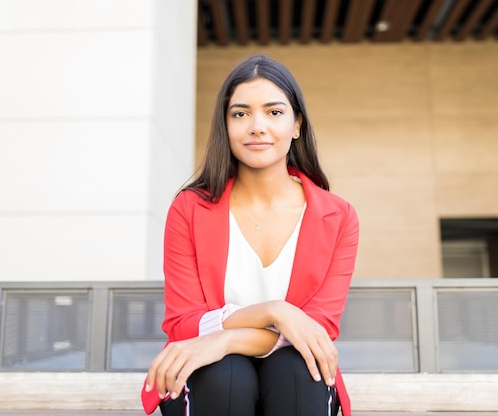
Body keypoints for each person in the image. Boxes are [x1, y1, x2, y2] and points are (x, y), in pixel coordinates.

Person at [141, 54, 359, 416]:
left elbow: (315, 333)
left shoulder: (337, 217)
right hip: (208, 380)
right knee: (225, 372)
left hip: (295, 381)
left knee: (296, 368)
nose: (257, 126)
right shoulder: (189, 209)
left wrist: (226, 339)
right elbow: (184, 323)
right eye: (240, 114)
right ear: (225, 125)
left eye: (274, 112)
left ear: (297, 125)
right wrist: (276, 312)